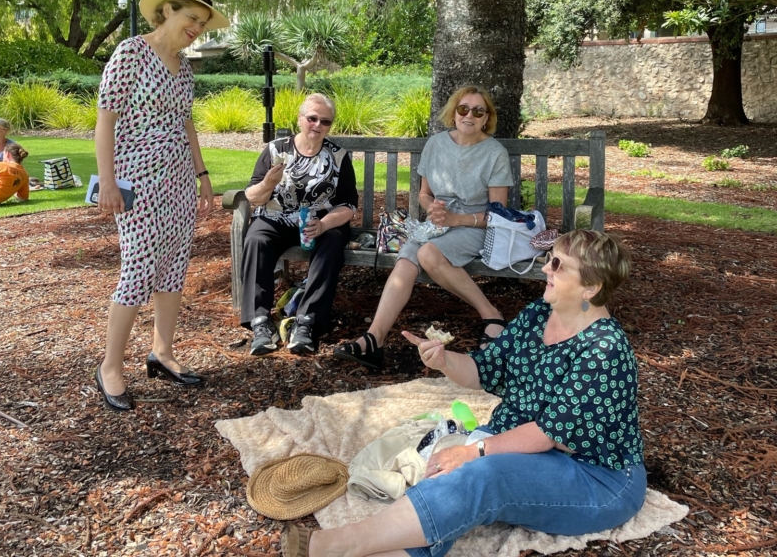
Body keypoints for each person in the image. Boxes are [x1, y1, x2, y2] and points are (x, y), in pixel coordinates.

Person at [282, 230, 646, 557]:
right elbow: (484, 369)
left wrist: (475, 451)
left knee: (484, 475)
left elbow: (549, 434)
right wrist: (443, 361)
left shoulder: (604, 349)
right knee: (448, 479)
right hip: (521, 442)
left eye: (557, 264)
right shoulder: (539, 314)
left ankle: (338, 544)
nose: (545, 268)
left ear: (591, 287)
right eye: (548, 257)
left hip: (597, 477)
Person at [94, 0, 226, 412]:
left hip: (178, 182)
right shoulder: (131, 53)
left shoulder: (184, 67)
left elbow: (185, 122)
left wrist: (202, 172)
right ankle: (110, 366)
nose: (196, 29)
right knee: (137, 269)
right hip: (137, 181)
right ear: (167, 10)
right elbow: (105, 120)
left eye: (203, 24)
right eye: (192, 18)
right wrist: (107, 181)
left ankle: (162, 352)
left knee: (172, 269)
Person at [334, 85, 512, 370]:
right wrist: (432, 207)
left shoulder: (494, 153)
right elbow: (424, 194)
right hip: (437, 224)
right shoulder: (437, 144)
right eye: (463, 109)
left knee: (428, 254)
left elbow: (498, 215)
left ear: (486, 118)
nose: (469, 116)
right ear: (454, 113)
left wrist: (456, 219)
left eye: (478, 111)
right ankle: (373, 340)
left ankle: (492, 315)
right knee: (407, 260)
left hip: (474, 226)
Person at [241, 93, 358, 356]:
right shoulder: (275, 150)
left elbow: (349, 205)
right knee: (256, 237)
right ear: (300, 119)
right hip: (276, 219)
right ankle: (260, 322)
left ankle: (307, 322)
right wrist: (269, 183)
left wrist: (324, 225)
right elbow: (252, 197)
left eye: (325, 122)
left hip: (320, 222)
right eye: (312, 118)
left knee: (333, 241)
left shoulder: (338, 156)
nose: (317, 125)